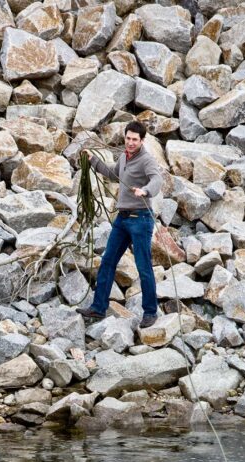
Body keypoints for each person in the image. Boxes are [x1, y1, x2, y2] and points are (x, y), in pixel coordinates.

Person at [77, 121, 164, 329]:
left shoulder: (147, 160)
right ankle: (98, 308)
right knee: (107, 261)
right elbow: (114, 174)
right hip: (122, 219)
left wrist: (145, 191)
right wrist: (93, 160)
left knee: (143, 268)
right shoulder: (124, 156)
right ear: (125, 137)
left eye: (135, 139)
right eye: (128, 138)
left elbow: (157, 180)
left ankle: (150, 312)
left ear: (142, 141)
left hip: (141, 219)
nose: (131, 142)